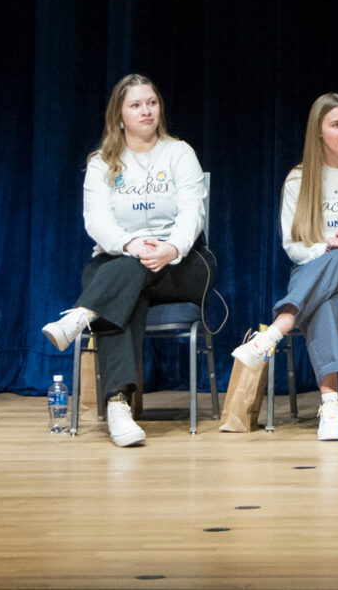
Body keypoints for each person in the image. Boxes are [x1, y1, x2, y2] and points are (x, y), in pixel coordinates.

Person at [39, 74, 213, 449]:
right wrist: (131, 243)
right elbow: (96, 222)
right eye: (135, 105)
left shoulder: (179, 153)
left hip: (180, 266)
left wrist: (171, 248)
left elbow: (192, 214)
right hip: (120, 258)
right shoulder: (103, 162)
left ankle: (82, 314)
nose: (146, 111)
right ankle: (119, 407)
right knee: (126, 291)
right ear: (119, 115)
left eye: (151, 102)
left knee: (117, 285)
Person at [229, 93, 338, 441]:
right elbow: (293, 247)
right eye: (336, 125)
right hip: (317, 273)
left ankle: (275, 332)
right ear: (318, 131)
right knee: (324, 299)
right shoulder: (299, 179)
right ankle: (331, 405)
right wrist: (324, 247)